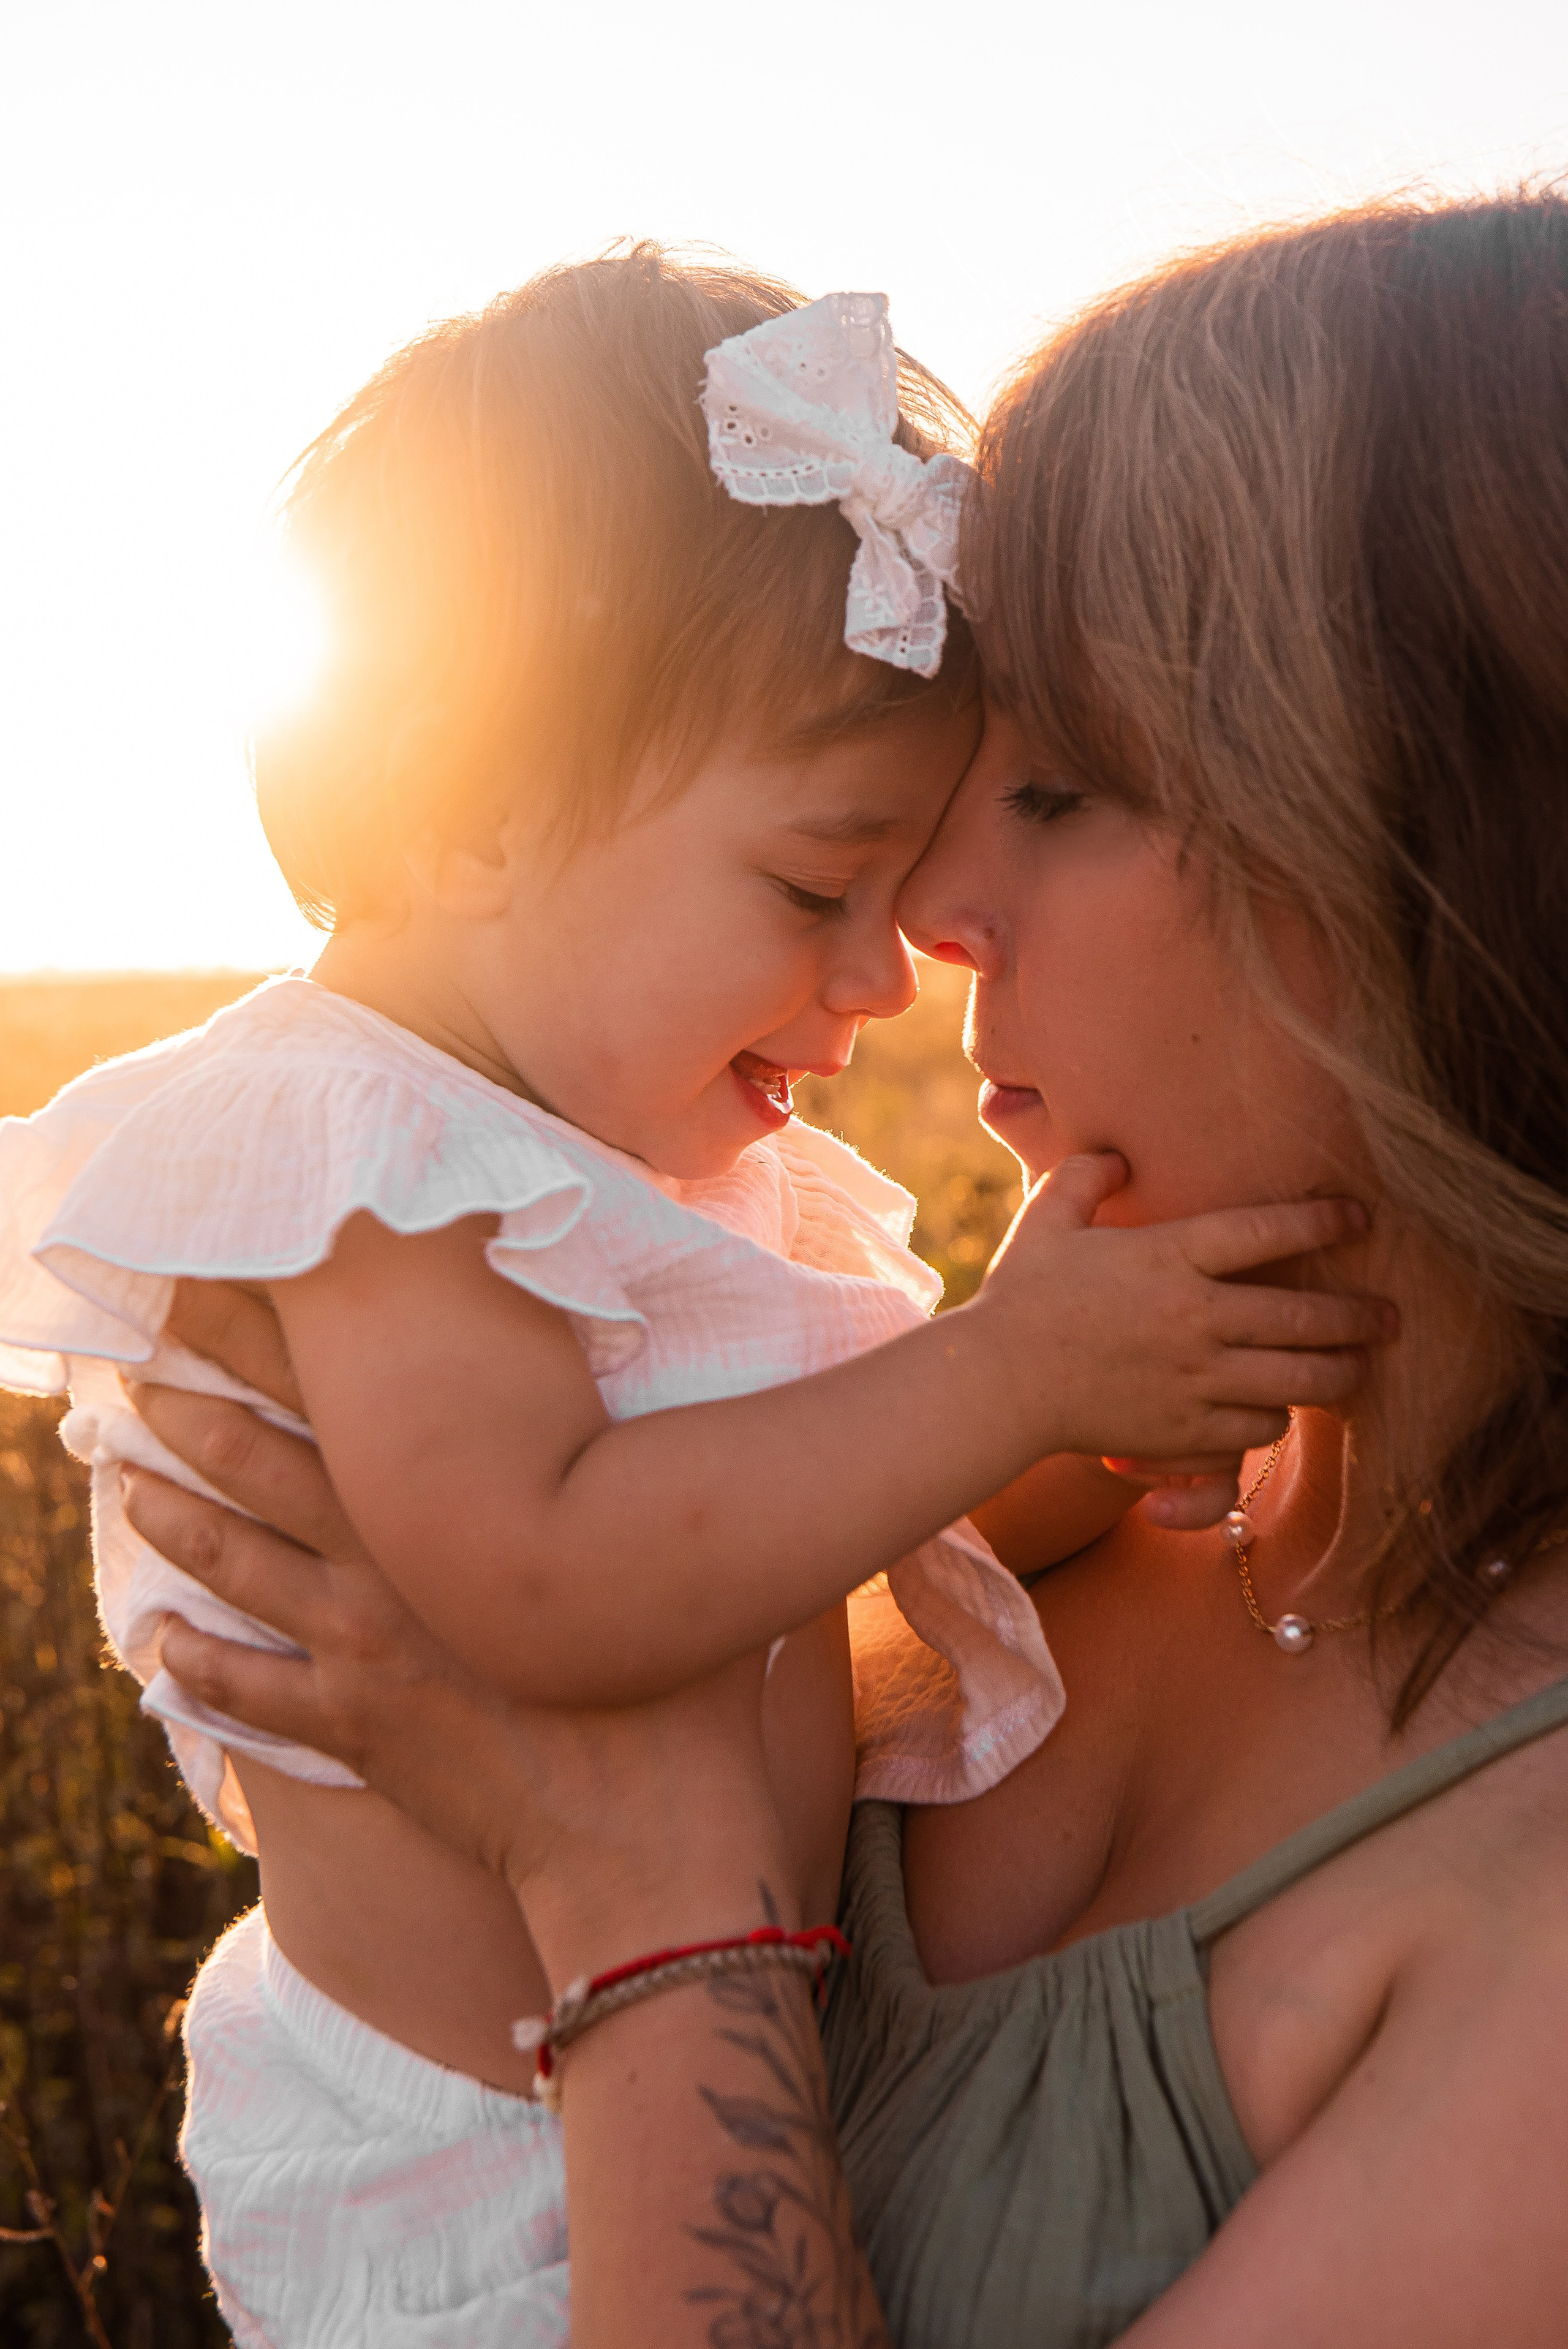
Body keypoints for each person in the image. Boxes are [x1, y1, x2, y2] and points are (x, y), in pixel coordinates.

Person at [122, 187, 1568, 2346]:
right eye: (878, 835)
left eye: (1062, 788)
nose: (931, 924)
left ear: (1425, 863)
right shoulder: (1081, 1457)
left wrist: (652, 1900)